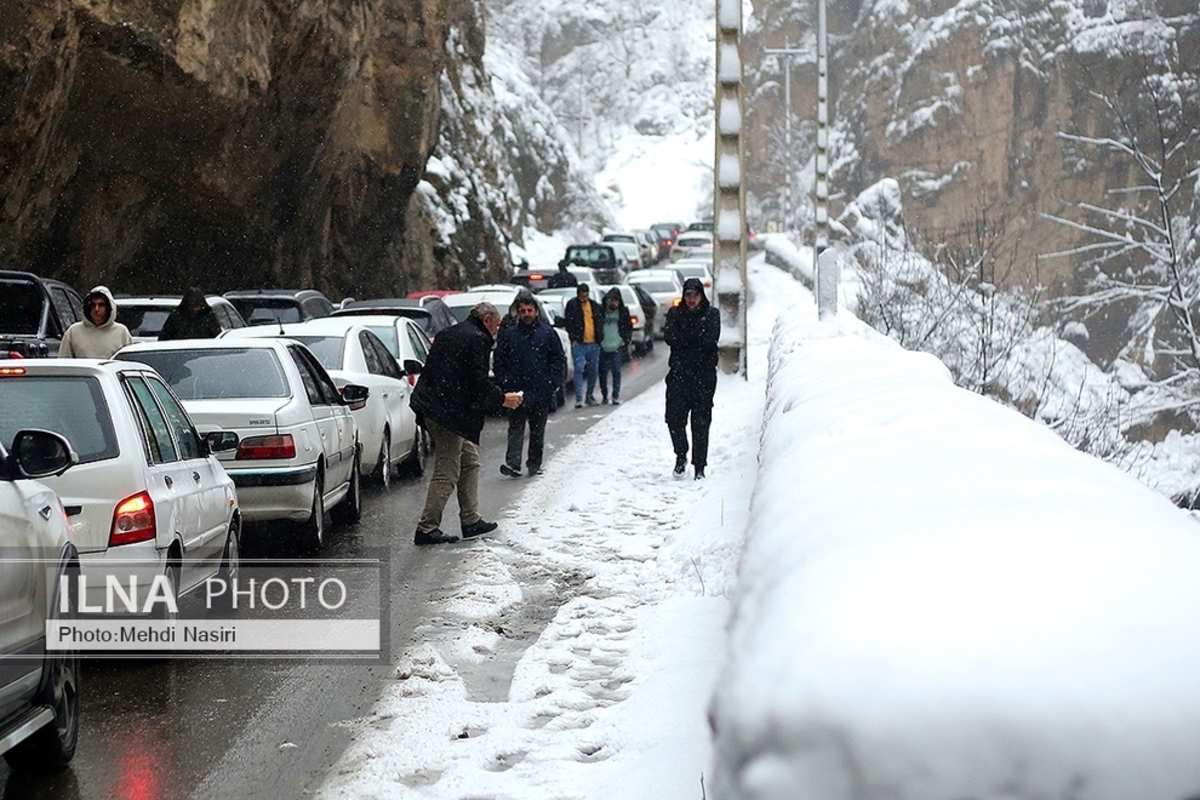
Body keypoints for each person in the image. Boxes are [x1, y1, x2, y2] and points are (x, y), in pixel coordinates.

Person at [409, 302, 523, 545]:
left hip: (433, 407)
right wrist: (503, 399)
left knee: (469, 460)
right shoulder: (477, 339)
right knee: (447, 470)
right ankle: (427, 528)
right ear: (487, 321)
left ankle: (471, 520)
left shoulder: (452, 332)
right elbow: (478, 381)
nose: (498, 330)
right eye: (497, 324)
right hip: (445, 414)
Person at [494, 291, 566, 477]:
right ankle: (513, 464)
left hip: (540, 390)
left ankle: (534, 464)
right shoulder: (510, 335)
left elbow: (558, 359)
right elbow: (500, 361)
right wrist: (505, 382)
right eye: (523, 310)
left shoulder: (548, 334)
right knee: (515, 428)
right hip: (516, 391)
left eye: (530, 310)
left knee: (537, 431)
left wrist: (552, 383)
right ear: (518, 312)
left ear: (536, 311)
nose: (526, 314)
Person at [663, 277, 720, 480]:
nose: (691, 299)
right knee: (674, 420)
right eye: (688, 295)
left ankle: (699, 466)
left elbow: (709, 340)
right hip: (679, 377)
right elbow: (670, 337)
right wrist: (691, 340)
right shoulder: (675, 313)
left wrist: (686, 340)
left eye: (695, 295)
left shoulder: (711, 314)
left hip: (703, 378)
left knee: (701, 423)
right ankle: (681, 454)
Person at [58, 286, 133, 358]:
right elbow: (64, 363)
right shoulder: (74, 332)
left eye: (101, 305)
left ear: (109, 307)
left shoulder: (121, 332)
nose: (96, 309)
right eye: (93, 305)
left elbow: (128, 364)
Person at [563, 283, 603, 408]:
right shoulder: (572, 305)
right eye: (582, 295)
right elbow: (569, 321)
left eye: (586, 295)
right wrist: (573, 338)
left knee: (593, 371)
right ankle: (579, 397)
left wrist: (599, 337)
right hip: (579, 343)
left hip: (593, 343)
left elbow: (599, 321)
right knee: (579, 369)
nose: (584, 298)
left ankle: (589, 395)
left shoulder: (594, 306)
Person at [598, 287, 632, 405]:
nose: (613, 303)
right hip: (603, 345)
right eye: (611, 300)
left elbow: (628, 327)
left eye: (615, 301)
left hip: (616, 346)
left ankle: (615, 395)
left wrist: (625, 340)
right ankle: (604, 395)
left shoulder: (623, 312)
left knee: (616, 371)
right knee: (602, 373)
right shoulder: (601, 311)